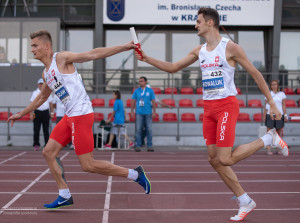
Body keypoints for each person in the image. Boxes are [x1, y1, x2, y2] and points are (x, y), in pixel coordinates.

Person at [134, 7, 289, 222]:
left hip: (227, 106)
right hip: (208, 109)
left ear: (210, 23)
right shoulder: (200, 51)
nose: (195, 25)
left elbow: (255, 73)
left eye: (198, 21)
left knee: (225, 158)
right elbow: (172, 68)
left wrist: (271, 102)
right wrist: (147, 59)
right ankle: (244, 200)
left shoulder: (231, 48)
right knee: (214, 160)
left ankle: (269, 138)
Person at [7, 29, 151, 209]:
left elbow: (92, 54)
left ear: (47, 46)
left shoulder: (61, 58)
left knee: (88, 165)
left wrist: (125, 46)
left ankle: (135, 174)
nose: (32, 50)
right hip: (69, 116)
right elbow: (42, 98)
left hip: (81, 115)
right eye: (31, 46)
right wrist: (22, 113)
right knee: (48, 152)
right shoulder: (46, 74)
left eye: (35, 46)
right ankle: (64, 194)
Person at [131, 77, 156, 152]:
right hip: (139, 112)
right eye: (139, 81)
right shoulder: (136, 91)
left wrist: (154, 111)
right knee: (138, 129)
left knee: (149, 129)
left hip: (148, 112)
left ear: (145, 82)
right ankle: (138, 146)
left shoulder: (150, 91)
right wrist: (132, 110)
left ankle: (149, 146)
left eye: (141, 81)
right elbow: (133, 101)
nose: (140, 82)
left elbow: (153, 101)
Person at [263, 80, 287, 155]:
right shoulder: (268, 93)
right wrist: (264, 115)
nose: (273, 86)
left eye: (275, 84)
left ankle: (277, 149)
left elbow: (283, 105)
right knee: (269, 132)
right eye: (272, 84)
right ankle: (268, 149)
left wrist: (285, 115)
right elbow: (266, 105)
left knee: (278, 132)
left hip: (279, 115)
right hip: (270, 114)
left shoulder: (282, 94)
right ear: (270, 86)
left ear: (277, 85)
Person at [30, 78, 53, 151]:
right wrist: (31, 113)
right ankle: (36, 144)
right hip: (37, 112)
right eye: (40, 84)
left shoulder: (47, 92)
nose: (41, 85)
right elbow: (31, 103)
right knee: (36, 129)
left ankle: (47, 144)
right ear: (38, 85)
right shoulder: (34, 93)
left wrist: (52, 112)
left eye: (42, 84)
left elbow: (50, 103)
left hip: (45, 112)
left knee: (46, 129)